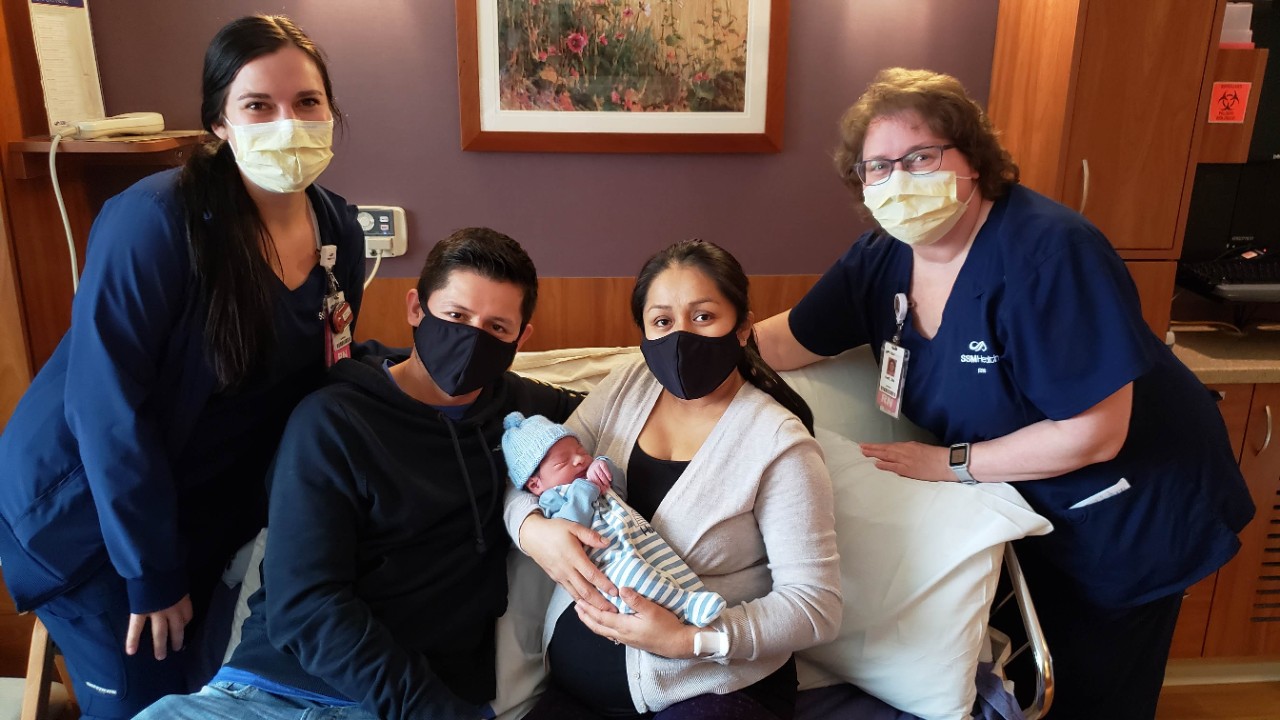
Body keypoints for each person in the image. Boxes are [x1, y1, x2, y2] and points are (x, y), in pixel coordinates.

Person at [754, 68, 1255, 720]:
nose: (897, 180)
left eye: (920, 157)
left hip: (1126, 510)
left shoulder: (1050, 254)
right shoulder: (881, 259)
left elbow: (1095, 432)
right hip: (1020, 507)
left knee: (1092, 696)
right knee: (1019, 687)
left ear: (974, 159)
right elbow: (787, 340)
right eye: (876, 166)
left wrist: (948, 464)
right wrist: (682, 350)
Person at [0, 15, 364, 720]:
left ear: (332, 112)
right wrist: (151, 572)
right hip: (98, 520)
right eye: (258, 105)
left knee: (208, 692)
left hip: (208, 512)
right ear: (219, 123)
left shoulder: (337, 232)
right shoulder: (154, 222)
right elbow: (105, 409)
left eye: (307, 103)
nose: (288, 124)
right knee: (148, 702)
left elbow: (329, 368)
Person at [135, 228, 582, 720]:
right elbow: (304, 604)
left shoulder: (524, 412)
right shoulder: (333, 419)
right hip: (275, 691)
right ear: (416, 308)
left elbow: (629, 409)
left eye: (496, 328)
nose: (472, 338)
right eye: (455, 316)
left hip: (425, 699)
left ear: (523, 338)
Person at [507, 240, 841, 720]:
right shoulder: (627, 385)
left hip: (712, 689)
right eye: (662, 321)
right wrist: (533, 530)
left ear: (744, 326)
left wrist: (689, 640)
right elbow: (527, 474)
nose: (681, 337)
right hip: (574, 689)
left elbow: (816, 606)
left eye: (703, 316)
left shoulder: (778, 444)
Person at [501, 411, 727, 627]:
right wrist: (587, 487)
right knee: (639, 579)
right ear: (535, 485)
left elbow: (619, 489)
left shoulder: (591, 477)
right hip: (611, 565)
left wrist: (603, 465)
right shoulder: (552, 500)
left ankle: (698, 598)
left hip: (641, 541)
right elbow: (572, 526)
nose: (579, 460)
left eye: (580, 450)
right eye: (562, 462)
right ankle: (686, 606)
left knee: (671, 566)